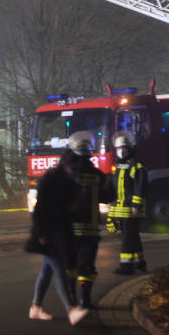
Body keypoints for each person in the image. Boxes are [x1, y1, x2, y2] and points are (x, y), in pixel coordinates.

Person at [27, 149, 89, 326]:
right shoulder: (51, 180)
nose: (74, 171)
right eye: (73, 167)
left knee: (47, 271)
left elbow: (66, 209)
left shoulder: (65, 180)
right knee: (59, 271)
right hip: (49, 233)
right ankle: (71, 309)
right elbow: (40, 210)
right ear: (65, 164)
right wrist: (41, 234)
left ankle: (36, 308)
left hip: (58, 233)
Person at [68, 131, 114, 310]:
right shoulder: (97, 175)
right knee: (86, 267)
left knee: (70, 266)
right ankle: (85, 299)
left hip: (70, 229)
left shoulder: (67, 175)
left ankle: (71, 299)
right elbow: (108, 195)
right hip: (90, 229)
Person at [108, 132, 148, 275]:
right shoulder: (119, 167)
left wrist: (136, 206)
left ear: (130, 148)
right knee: (133, 236)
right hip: (121, 209)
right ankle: (139, 263)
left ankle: (125, 266)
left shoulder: (135, 165)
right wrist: (111, 214)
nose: (122, 150)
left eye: (124, 147)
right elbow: (116, 191)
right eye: (119, 148)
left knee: (127, 237)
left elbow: (140, 186)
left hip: (131, 210)